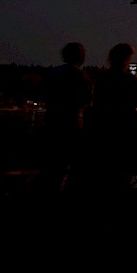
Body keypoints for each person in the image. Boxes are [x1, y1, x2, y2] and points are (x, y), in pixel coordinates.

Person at [84, 42, 137, 193]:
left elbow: (95, 101)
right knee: (123, 168)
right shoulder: (131, 80)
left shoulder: (102, 79)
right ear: (126, 59)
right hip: (125, 128)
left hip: (103, 129)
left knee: (105, 168)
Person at [37, 41, 91, 194]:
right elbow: (86, 99)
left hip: (52, 121)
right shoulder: (80, 75)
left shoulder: (53, 73)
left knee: (51, 164)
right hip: (70, 123)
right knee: (71, 162)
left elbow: (44, 93)